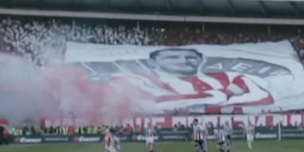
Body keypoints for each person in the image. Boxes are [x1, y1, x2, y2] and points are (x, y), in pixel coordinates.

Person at [112, 48, 274, 113]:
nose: (183, 61)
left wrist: (194, 102)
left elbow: (262, 98)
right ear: (153, 62)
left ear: (200, 60)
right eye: (172, 57)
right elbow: (153, 104)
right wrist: (226, 93)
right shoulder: (130, 78)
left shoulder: (229, 76)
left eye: (190, 57)